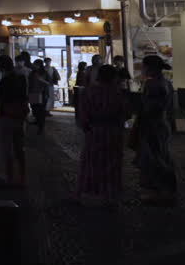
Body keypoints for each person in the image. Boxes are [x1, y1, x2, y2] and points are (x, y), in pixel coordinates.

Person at [76, 64, 129, 209]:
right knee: (112, 162)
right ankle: (111, 193)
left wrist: (87, 127)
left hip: (94, 131)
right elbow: (123, 114)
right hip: (112, 132)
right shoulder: (117, 93)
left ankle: (92, 191)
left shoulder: (88, 92)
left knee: (93, 161)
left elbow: (83, 115)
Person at [134, 55, 178, 204]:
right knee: (162, 154)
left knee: (155, 157)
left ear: (150, 68)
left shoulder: (152, 85)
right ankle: (165, 189)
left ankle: (161, 190)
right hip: (163, 123)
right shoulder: (166, 83)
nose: (142, 69)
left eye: (144, 66)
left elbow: (150, 107)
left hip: (153, 124)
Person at [0, 54, 28, 188]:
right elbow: (24, 96)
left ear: (1, 67)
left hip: (7, 115)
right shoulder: (21, 78)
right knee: (19, 148)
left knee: (7, 148)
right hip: (20, 116)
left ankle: (10, 177)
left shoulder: (5, 80)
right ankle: (22, 178)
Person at [28, 62, 50, 135]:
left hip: (42, 94)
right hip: (33, 93)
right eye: (35, 65)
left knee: (41, 111)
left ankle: (41, 127)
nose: (35, 66)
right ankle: (37, 122)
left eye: (36, 65)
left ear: (40, 66)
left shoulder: (45, 73)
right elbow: (29, 83)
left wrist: (41, 80)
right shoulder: (32, 73)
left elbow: (49, 82)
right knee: (35, 110)